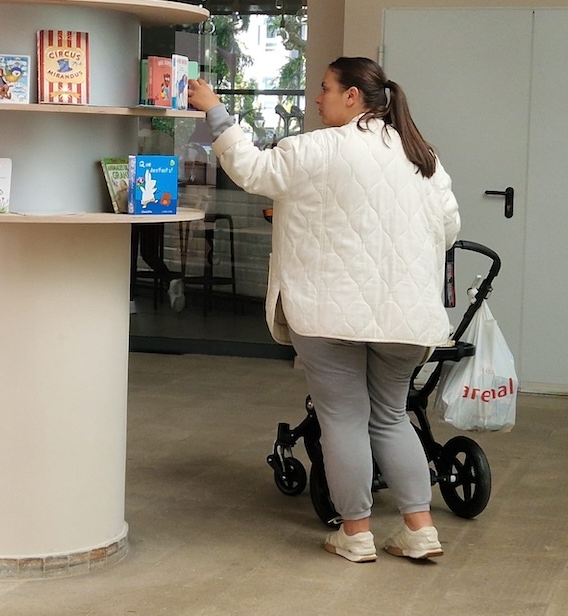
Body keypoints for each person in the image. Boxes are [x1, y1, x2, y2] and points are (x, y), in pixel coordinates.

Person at [187, 57, 460, 563]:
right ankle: (419, 529)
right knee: (392, 417)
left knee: (343, 419)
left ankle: (356, 534)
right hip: (406, 317)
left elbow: (252, 170)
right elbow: (448, 230)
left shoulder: (318, 149)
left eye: (326, 88)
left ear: (353, 96)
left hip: (327, 310)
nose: (318, 98)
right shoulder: (423, 157)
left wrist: (216, 112)